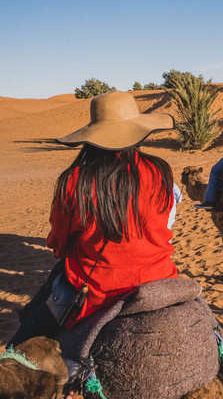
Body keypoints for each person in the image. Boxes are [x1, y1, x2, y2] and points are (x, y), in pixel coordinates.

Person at [10, 91, 181, 345]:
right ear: (137, 130)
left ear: (92, 135)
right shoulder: (160, 171)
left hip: (96, 293)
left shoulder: (74, 181)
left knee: (21, 346)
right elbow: (167, 224)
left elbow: (58, 244)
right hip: (161, 279)